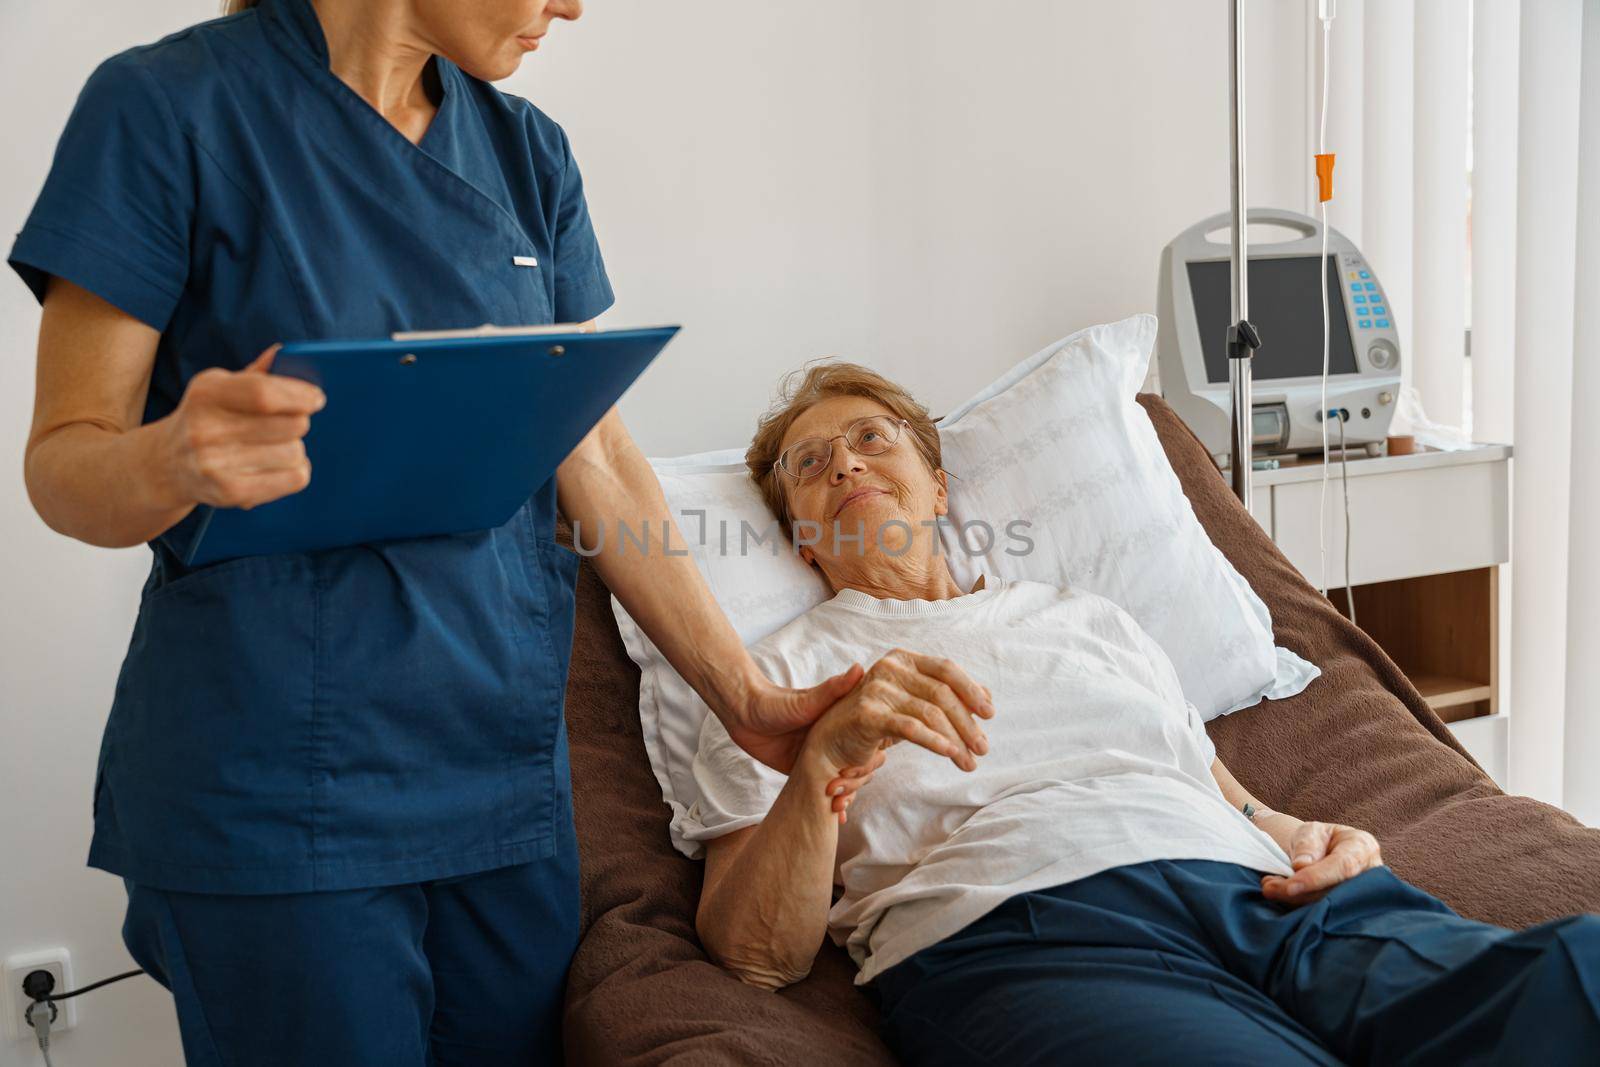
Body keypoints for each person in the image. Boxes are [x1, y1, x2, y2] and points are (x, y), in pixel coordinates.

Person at [8, 5, 991, 1064]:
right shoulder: (170, 107)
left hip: (501, 785)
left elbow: (596, 456)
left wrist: (745, 697)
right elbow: (64, 463)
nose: (570, 5)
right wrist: (171, 459)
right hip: (282, 782)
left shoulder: (527, 153)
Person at [689, 361, 1600, 1064]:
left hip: (1263, 896)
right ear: (802, 537)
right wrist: (818, 771)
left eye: (872, 437)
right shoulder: (773, 676)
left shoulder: (1082, 617)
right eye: (810, 464)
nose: (844, 460)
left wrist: (1322, 836)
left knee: (1578, 976)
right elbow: (752, 949)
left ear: (936, 486)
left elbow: (1226, 794)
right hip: (1030, 933)